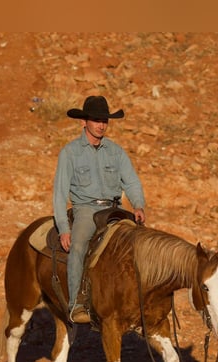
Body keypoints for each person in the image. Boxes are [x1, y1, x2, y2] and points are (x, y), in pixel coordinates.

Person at [53, 95, 146, 324]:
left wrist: (138, 205)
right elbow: (59, 193)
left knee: (141, 244)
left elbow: (132, 182)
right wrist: (64, 228)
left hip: (115, 209)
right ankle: (77, 303)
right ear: (84, 122)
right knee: (78, 246)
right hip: (86, 210)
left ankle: (140, 302)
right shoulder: (70, 153)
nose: (101, 125)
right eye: (96, 120)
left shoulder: (116, 152)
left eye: (104, 120)